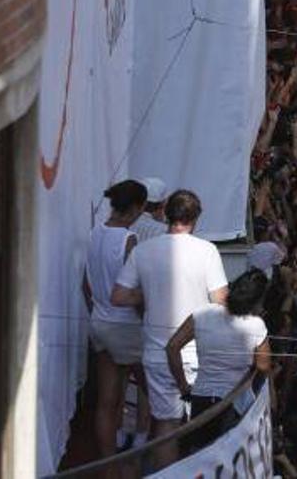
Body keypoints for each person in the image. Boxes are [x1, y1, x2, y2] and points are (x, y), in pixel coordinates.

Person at [111, 189, 229, 463]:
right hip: (197, 352)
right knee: (202, 424)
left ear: (165, 214)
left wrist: (149, 294)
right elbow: (221, 301)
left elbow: (118, 296)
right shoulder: (207, 251)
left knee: (166, 424)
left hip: (156, 351)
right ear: (195, 218)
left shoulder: (143, 250)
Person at [165, 268, 272, 452]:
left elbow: (172, 347)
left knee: (200, 458)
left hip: (201, 400)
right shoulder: (256, 326)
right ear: (257, 301)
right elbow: (263, 365)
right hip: (234, 406)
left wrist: (183, 386)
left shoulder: (203, 313)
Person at [82, 179, 148, 465]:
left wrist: (98, 309)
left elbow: (86, 283)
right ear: (135, 207)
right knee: (153, 391)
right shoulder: (129, 240)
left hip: (99, 321)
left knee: (107, 400)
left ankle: (107, 463)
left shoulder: (95, 231)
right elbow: (135, 288)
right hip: (126, 325)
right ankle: (142, 450)